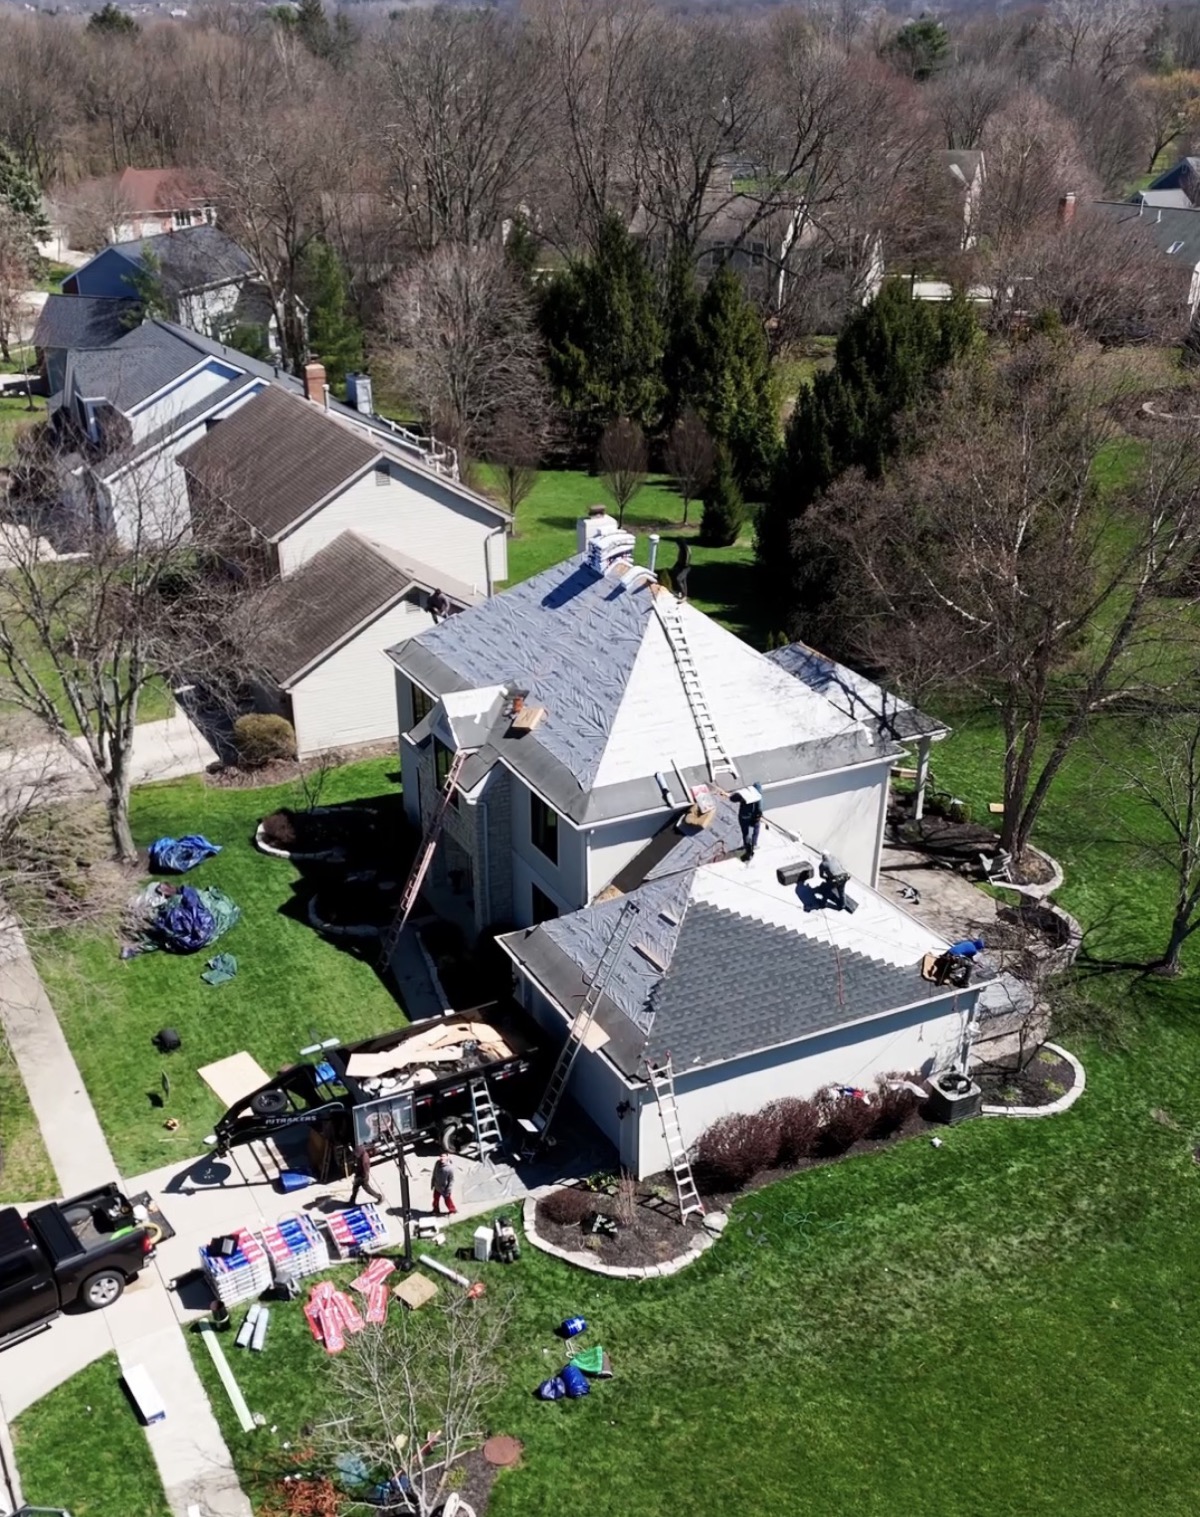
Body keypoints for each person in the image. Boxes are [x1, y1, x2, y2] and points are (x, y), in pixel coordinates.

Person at [736, 785, 764, 860]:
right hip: (752, 817)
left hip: (747, 816)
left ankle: (748, 845)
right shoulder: (758, 796)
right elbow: (759, 807)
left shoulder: (749, 795)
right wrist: (758, 815)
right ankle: (752, 844)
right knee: (753, 831)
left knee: (747, 832)